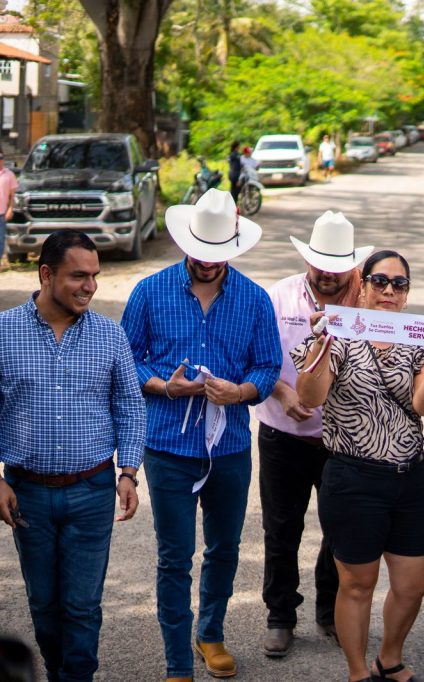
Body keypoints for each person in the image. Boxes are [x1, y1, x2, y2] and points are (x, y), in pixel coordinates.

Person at [121, 188, 282, 681]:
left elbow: (269, 364)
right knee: (174, 557)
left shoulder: (254, 299)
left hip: (229, 446)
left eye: (219, 255)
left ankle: (210, 633)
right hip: (168, 445)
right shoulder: (149, 291)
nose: (208, 262)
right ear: (185, 243)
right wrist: (161, 385)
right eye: (200, 253)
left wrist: (241, 392)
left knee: (225, 548)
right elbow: (126, 359)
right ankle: (176, 659)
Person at [295, 250, 424, 682]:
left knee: (413, 583)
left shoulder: (421, 337)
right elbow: (310, 399)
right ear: (362, 285)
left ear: (407, 293)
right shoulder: (338, 331)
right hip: (353, 476)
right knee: (357, 584)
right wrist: (322, 347)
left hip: (409, 476)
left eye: (398, 283)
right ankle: (357, 671)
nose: (388, 290)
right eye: (379, 281)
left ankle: (389, 656)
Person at [0, 229, 145, 681]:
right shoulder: (3, 332)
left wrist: (129, 471)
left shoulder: (109, 334)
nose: (90, 286)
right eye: (78, 276)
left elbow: (130, 404)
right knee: (43, 605)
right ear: (46, 274)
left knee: (82, 606)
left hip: (91, 491)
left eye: (95, 276)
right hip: (27, 494)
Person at [253, 210, 372, 657]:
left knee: (339, 529)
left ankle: (330, 612)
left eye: (337, 266)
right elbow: (259, 360)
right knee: (281, 529)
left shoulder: (367, 301)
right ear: (307, 260)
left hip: (343, 440)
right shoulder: (278, 296)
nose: (326, 273)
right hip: (282, 434)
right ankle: (280, 616)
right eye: (319, 263)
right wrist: (283, 394)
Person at [0, 151, 18, 267]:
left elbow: (12, 196)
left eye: (1, 157)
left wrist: (11, 209)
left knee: (0, 239)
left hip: (1, 213)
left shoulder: (9, 174)